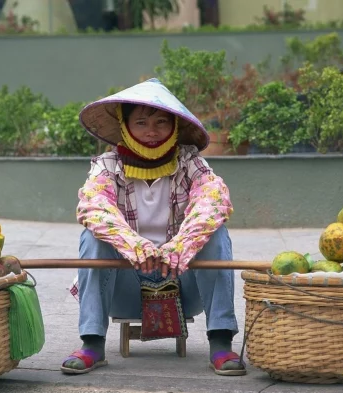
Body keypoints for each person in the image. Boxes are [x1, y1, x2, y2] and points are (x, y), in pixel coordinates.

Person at [61, 78, 246, 376]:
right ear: (125, 126)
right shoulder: (107, 166)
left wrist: (180, 247)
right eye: (141, 122)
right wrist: (135, 247)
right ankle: (92, 343)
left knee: (217, 232)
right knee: (91, 236)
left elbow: (214, 200)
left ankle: (221, 342)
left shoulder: (190, 162)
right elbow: (94, 207)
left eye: (161, 122)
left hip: (181, 282)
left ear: (174, 127)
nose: (151, 131)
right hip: (124, 287)